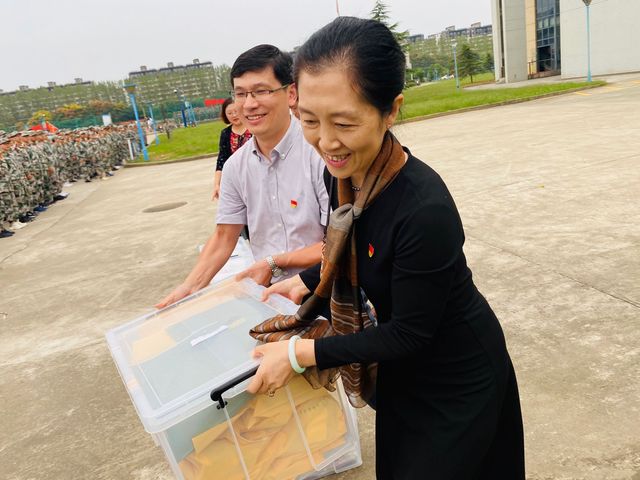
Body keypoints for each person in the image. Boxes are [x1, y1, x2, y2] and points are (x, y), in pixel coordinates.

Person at [246, 17, 525, 479]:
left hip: (456, 375)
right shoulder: (341, 174)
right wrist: (306, 281)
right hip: (401, 375)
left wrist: (298, 355)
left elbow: (411, 333)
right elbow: (351, 248)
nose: (326, 142)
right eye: (309, 121)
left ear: (391, 110)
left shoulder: (423, 207)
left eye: (344, 122)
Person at [156, 44, 329, 309]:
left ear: (291, 93)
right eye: (240, 94)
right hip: (270, 297)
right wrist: (188, 290)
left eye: (261, 91)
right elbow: (224, 236)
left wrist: (275, 262)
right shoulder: (235, 167)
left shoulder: (321, 153)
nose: (249, 104)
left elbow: (342, 242)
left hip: (325, 289)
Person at [212, 98, 251, 200]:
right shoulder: (225, 133)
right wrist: (216, 184)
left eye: (236, 111)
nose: (234, 115)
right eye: (229, 113)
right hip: (237, 181)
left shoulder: (253, 127)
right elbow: (222, 160)